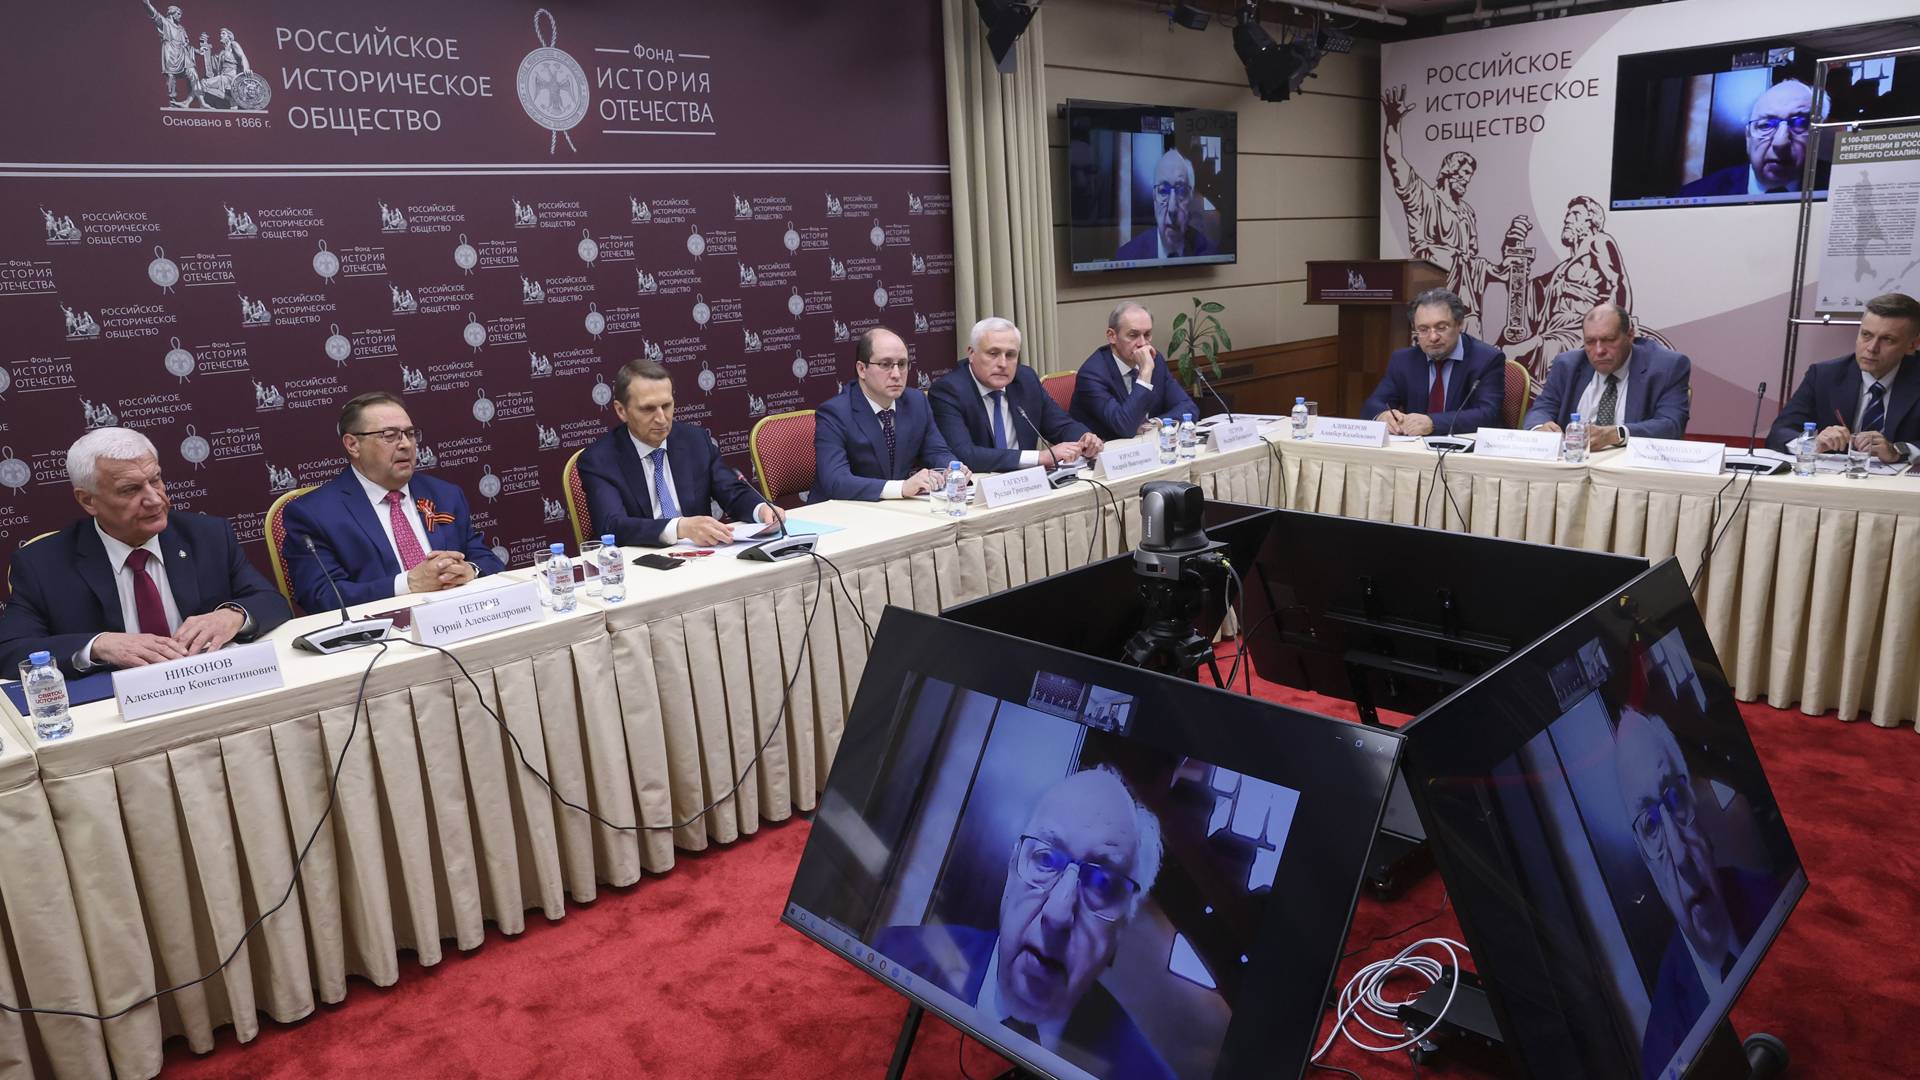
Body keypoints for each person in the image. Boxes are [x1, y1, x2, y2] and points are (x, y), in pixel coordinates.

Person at [873, 767, 1174, 1080]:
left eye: (1102, 883)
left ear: (1123, 925)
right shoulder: (898, 956)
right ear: (1012, 864)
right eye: (1046, 859)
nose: (1058, 914)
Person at [0, 428, 289, 677]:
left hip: (211, 684)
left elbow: (272, 602)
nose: (154, 499)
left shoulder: (207, 536)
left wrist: (231, 616)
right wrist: (98, 645)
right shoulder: (42, 564)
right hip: (116, 705)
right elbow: (10, 650)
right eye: (130, 489)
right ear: (88, 500)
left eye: (156, 480)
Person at [1613, 708, 1781, 1080]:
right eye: (1651, 825)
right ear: (1645, 859)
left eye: (1674, 798)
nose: (1681, 855)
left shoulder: (1771, 897)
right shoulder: (1664, 1049)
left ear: (1693, 798)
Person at [283, 392, 504, 612]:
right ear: (353, 445)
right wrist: (407, 584)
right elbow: (322, 596)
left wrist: (470, 570)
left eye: (410, 434)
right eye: (390, 435)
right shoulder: (313, 514)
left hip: (460, 617)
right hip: (382, 629)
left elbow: (488, 560)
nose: (406, 444)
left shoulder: (445, 494)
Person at [579, 358, 782, 546]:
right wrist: (679, 528)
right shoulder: (599, 460)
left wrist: (761, 509)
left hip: (703, 556)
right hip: (642, 561)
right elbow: (612, 525)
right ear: (621, 410)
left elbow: (732, 492)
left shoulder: (695, 441)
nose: (661, 418)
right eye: (648, 409)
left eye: (666, 406)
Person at [930, 317, 1104, 473]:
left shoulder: (1025, 380)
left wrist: (1085, 438)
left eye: (1010, 355)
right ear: (971, 353)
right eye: (993, 354)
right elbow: (964, 454)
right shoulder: (949, 391)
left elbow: (1060, 425)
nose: (1003, 363)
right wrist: (1040, 457)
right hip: (979, 486)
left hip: (1026, 483)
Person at [1767, 291, 1920, 464]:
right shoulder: (1824, 375)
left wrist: (1898, 450)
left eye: (1887, 339)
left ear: (1912, 345)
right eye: (1866, 335)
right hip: (1834, 477)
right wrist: (1811, 444)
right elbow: (1780, 432)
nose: (1872, 348)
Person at [810, 328, 961, 502]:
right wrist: (901, 488)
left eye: (902, 364)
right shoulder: (835, 413)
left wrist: (951, 469)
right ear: (862, 369)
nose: (896, 374)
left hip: (894, 508)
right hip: (841, 511)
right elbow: (836, 481)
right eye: (885, 364)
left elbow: (936, 451)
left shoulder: (916, 402)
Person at [1525, 302, 1692, 449]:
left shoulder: (1666, 367)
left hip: (1628, 468)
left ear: (1630, 335)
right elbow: (1541, 409)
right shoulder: (1567, 365)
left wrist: (1617, 434)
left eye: (1609, 340)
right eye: (1590, 342)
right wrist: (1540, 428)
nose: (1599, 351)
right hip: (1573, 461)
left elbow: (1671, 425)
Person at [1360, 288, 1505, 435]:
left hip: (1463, 445)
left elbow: (1488, 414)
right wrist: (1382, 416)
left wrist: (1433, 423)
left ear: (1460, 324)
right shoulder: (1403, 360)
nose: (1433, 337)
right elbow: (1373, 405)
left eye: (1441, 327)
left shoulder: (1486, 359)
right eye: (1423, 329)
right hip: (1414, 446)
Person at [1069, 302, 1201, 440]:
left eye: (1147, 334)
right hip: (1108, 449)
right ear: (1112, 336)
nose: (1142, 343)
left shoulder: (1155, 361)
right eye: (1133, 335)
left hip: (1149, 445)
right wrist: (1145, 373)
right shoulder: (1092, 374)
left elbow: (1189, 408)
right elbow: (1125, 427)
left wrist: (1155, 423)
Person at [1679, 79, 1827, 198]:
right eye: (1765, 125)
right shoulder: (1695, 195)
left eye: (1800, 124)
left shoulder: (1835, 188)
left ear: (1818, 136)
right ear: (1748, 137)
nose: (1780, 143)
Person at [1115, 149, 1214, 262]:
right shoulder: (1127, 256)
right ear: (1154, 196)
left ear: (1190, 197)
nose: (1172, 209)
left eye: (1181, 191)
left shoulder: (1209, 255)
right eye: (1163, 191)